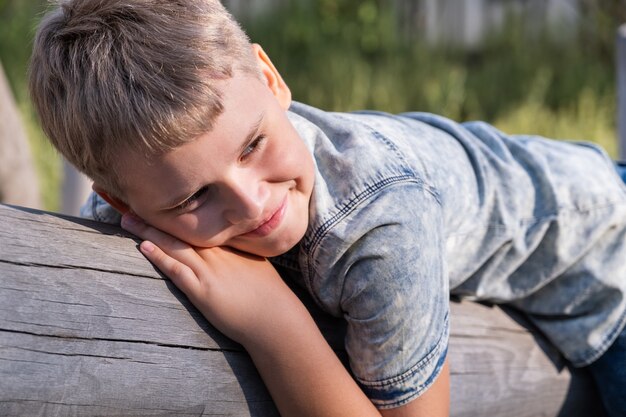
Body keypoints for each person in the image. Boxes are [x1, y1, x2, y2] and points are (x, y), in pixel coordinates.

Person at [28, 1, 626, 416]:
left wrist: (273, 324)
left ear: (270, 78)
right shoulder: (133, 200)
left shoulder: (381, 222)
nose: (253, 202)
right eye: (193, 197)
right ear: (119, 201)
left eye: (254, 144)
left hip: (606, 256)